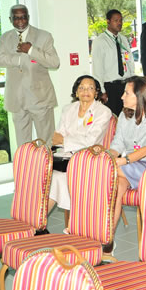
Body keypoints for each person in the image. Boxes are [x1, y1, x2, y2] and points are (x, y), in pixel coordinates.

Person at [48, 75, 112, 228]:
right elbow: (57, 136)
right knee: (48, 176)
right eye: (81, 88)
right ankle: (39, 223)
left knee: (59, 179)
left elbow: (91, 141)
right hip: (66, 156)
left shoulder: (103, 112)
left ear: (96, 93)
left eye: (90, 88)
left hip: (90, 158)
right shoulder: (68, 109)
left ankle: (41, 222)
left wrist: (66, 140)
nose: (86, 91)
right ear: (76, 92)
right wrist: (71, 140)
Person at [0, 4, 60, 147]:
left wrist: (31, 50)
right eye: (16, 18)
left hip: (40, 99)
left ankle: (46, 169)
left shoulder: (44, 36)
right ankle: (26, 169)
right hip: (17, 100)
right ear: (10, 19)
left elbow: (54, 63)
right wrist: (17, 59)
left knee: (46, 142)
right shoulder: (5, 38)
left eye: (23, 17)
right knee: (23, 145)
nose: (20, 21)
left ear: (28, 17)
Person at [108, 76, 146, 227]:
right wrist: (108, 156)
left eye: (127, 93)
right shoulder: (124, 115)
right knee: (115, 190)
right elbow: (118, 143)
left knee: (104, 170)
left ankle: (83, 215)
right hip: (127, 167)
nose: (122, 97)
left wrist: (122, 161)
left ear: (140, 96)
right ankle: (107, 241)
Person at [91, 9, 135, 116]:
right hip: (110, 88)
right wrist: (101, 91)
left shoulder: (123, 39)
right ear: (108, 21)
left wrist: (133, 81)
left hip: (125, 85)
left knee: (127, 118)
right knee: (113, 120)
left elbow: (129, 62)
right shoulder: (100, 41)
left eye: (121, 20)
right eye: (116, 20)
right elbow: (97, 68)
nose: (119, 23)